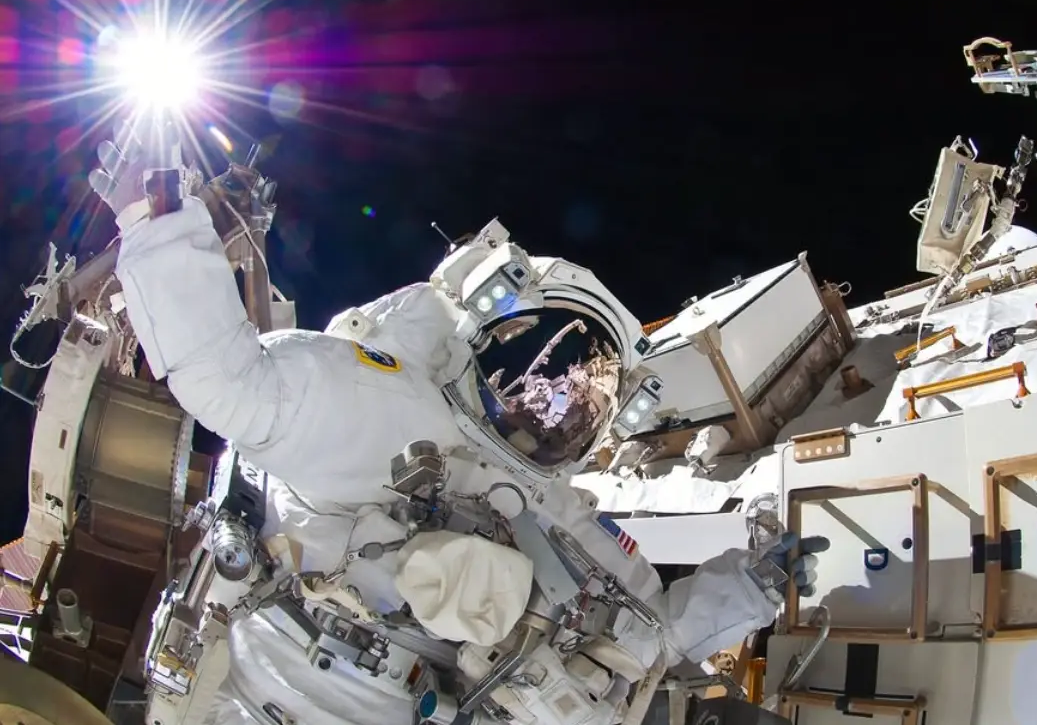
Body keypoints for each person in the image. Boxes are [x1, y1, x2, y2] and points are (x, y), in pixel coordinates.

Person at [89, 120, 828, 724]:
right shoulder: (377, 405)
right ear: (487, 339)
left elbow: (656, 632)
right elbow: (224, 378)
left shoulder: (564, 515)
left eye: (586, 401)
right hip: (261, 691)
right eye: (545, 380)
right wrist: (156, 215)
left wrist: (754, 585)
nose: (557, 404)